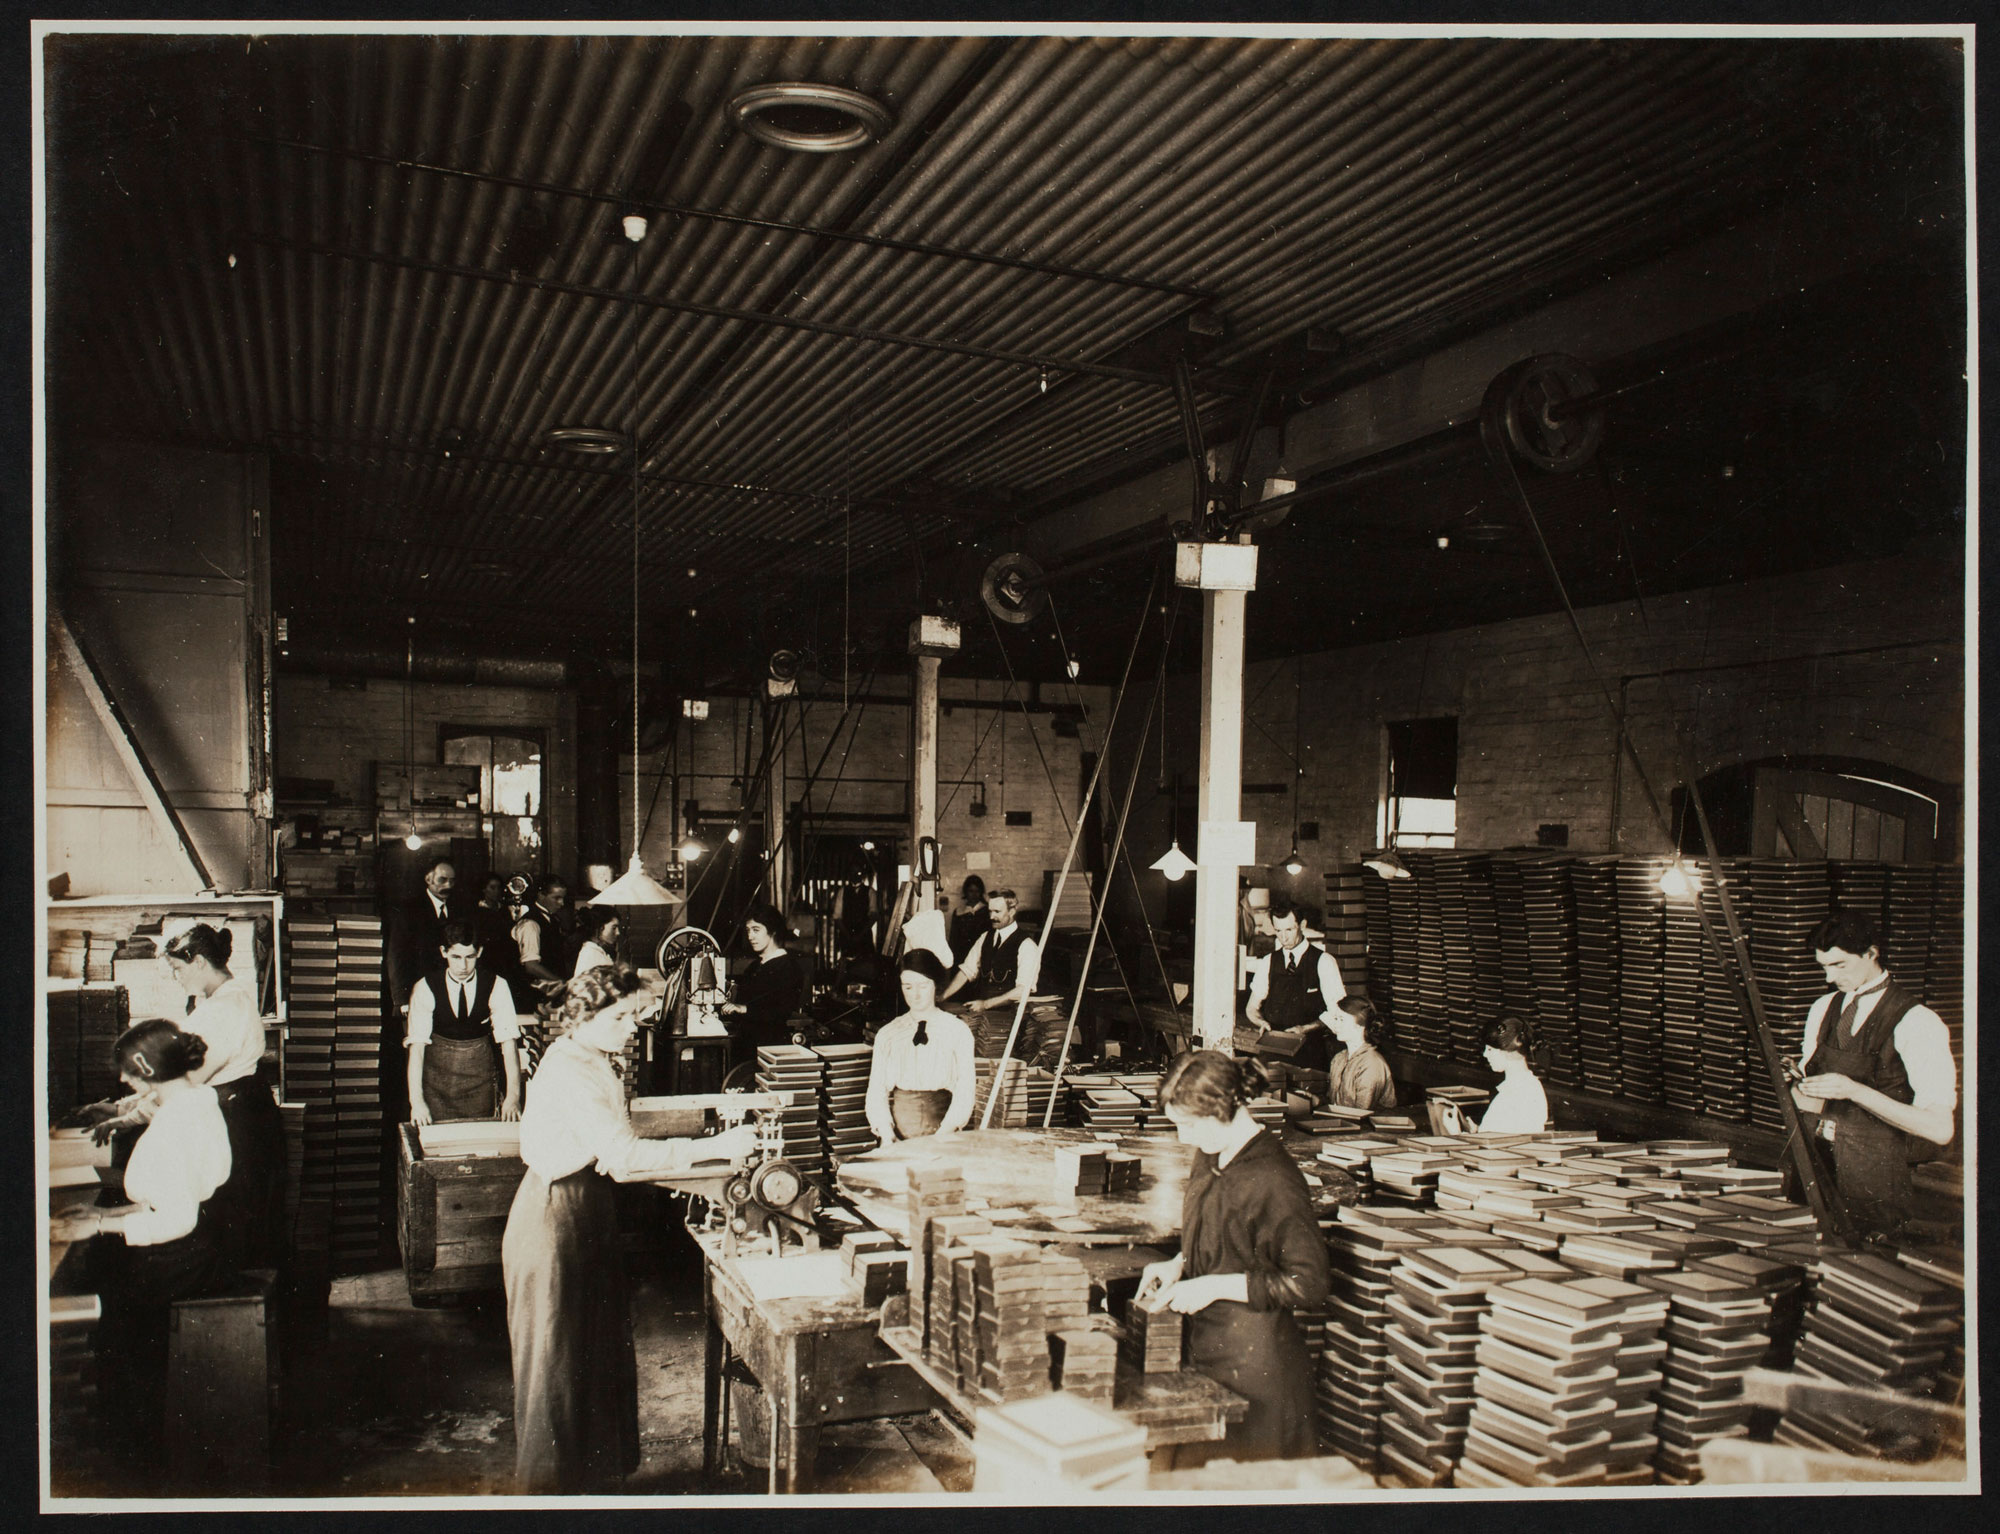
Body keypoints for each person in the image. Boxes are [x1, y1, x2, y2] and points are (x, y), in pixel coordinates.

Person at [502, 966, 759, 1493]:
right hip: (554, 1218)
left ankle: (592, 1486)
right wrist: (716, 1148)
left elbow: (616, 1147)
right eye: (620, 1017)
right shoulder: (570, 1069)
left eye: (633, 1016)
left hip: (586, 1209)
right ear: (582, 1016)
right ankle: (546, 1497)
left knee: (592, 1351)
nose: (630, 1027)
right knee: (556, 1366)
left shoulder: (592, 1057)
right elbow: (622, 1158)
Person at [51, 1021, 234, 1468]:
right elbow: (166, 1200)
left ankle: (133, 1452)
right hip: (202, 1243)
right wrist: (101, 1218)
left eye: (127, 1071)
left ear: (147, 1069)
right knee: (103, 1275)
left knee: (110, 1307)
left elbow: (175, 1220)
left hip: (184, 1255)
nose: (122, 1079)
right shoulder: (193, 1101)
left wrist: (99, 1223)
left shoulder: (176, 1125)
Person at [1138, 1051, 1328, 1465]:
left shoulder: (1274, 1179)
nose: (1183, 1138)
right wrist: (1181, 1262)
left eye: (1189, 1125)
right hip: (1206, 1347)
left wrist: (1212, 1286)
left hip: (1257, 1366)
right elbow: (1224, 1228)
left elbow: (1309, 1282)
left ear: (1225, 1109)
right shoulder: (1210, 1154)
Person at [1791, 910, 1956, 1236]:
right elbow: (1812, 1105)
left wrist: (1854, 1091)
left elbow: (1940, 1130)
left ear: (1871, 953)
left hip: (1876, 1180)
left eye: (1840, 965)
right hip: (1814, 1165)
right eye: (1823, 966)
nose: (1829, 977)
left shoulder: (1918, 1022)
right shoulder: (1823, 1008)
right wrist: (1795, 1083)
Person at [406, 918, 523, 1125]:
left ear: (479, 952)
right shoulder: (425, 987)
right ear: (443, 952)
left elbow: (509, 1043)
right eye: (456, 957)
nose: (463, 966)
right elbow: (417, 1049)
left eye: (470, 957)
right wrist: (417, 1102)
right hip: (436, 1083)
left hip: (480, 1082)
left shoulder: (497, 985)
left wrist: (513, 1097)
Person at [864, 951, 978, 1143]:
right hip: (897, 1139)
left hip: (945, 1135)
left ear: (936, 985)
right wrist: (887, 1135)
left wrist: (943, 1135)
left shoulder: (957, 1030)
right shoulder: (888, 1034)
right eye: (908, 987)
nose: (915, 995)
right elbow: (876, 1090)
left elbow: (965, 1090)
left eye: (923, 986)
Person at [939, 888, 1042, 1056]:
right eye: (990, 911)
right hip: (984, 1020)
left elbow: (1023, 989)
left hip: (1010, 1021)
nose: (992, 916)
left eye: (997, 912)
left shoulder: (1027, 945)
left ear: (1012, 911)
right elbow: (966, 971)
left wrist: (986, 1004)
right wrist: (942, 996)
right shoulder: (985, 938)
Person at [718, 903, 809, 1068]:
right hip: (746, 1045)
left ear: (772, 931)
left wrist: (743, 1009)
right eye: (748, 931)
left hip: (768, 1049)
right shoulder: (754, 966)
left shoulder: (788, 968)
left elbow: (781, 1012)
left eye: (756, 930)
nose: (750, 936)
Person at [1244, 900, 1344, 1044]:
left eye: (1289, 930)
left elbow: (1338, 1011)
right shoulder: (1268, 961)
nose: (1283, 938)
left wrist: (1305, 1028)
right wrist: (1261, 1022)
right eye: (1278, 931)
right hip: (1274, 1044)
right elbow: (1252, 1007)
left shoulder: (1324, 961)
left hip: (1310, 1047)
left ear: (1302, 925)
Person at [388, 856, 464, 1011]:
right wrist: (402, 1000)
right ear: (428, 879)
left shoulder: (459, 909)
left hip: (450, 996)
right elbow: (397, 956)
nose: (448, 885)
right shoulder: (409, 910)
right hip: (418, 994)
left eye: (452, 881)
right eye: (442, 880)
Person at [1320, 995, 1398, 1112]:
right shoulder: (1338, 1059)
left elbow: (1361, 1113)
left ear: (1360, 1025)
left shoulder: (1371, 1064)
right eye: (1336, 1019)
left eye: (1341, 1019)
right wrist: (1315, 1101)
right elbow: (1333, 1103)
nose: (1336, 1025)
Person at [1477, 1016, 1550, 1133]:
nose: (1485, 1054)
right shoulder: (1529, 1086)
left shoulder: (1515, 1095)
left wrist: (1455, 1132)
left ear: (1509, 1051)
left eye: (1490, 1049)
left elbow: (1499, 1141)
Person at [512, 875, 575, 993]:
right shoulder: (530, 924)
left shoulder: (553, 919)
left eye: (563, 898)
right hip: (532, 993)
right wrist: (564, 984)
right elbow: (531, 966)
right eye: (556, 898)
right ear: (541, 895)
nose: (561, 903)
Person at [945, 875, 988, 971]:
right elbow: (953, 938)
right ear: (966, 892)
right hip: (961, 955)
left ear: (981, 892)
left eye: (977, 891)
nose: (974, 895)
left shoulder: (987, 911)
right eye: (971, 891)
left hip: (980, 954)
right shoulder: (959, 911)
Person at [572, 906, 621, 976]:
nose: (618, 932)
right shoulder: (591, 955)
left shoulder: (597, 951)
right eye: (614, 928)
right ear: (600, 928)